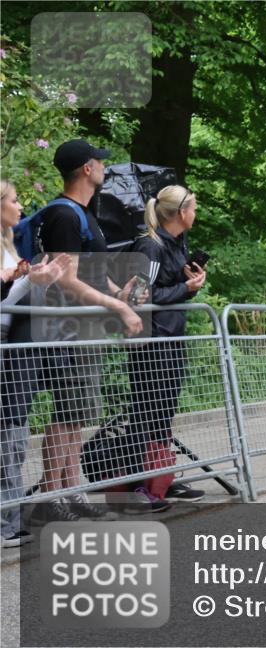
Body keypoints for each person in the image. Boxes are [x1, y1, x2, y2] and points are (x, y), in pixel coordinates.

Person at [30, 139, 144, 525]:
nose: (104, 167)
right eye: (99, 162)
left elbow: (91, 274)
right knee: (66, 413)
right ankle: (52, 498)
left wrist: (119, 291)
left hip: (82, 326)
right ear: (86, 169)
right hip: (69, 327)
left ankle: (72, 491)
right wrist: (118, 306)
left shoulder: (81, 213)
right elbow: (68, 281)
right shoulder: (64, 215)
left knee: (77, 413)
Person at [118, 185, 207, 512]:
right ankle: (134, 489)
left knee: (163, 414)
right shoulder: (151, 247)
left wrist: (189, 287)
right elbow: (139, 298)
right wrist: (183, 288)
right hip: (150, 344)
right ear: (181, 213)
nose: (196, 214)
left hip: (171, 340)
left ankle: (160, 478)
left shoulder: (176, 244)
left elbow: (169, 290)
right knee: (145, 413)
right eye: (194, 208)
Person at [1, 180, 71, 547]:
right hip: (7, 348)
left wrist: (35, 278)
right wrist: (31, 279)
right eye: (14, 200)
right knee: (8, 435)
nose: (20, 206)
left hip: (17, 347)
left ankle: (10, 519)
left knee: (14, 435)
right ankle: (5, 523)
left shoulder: (11, 247)